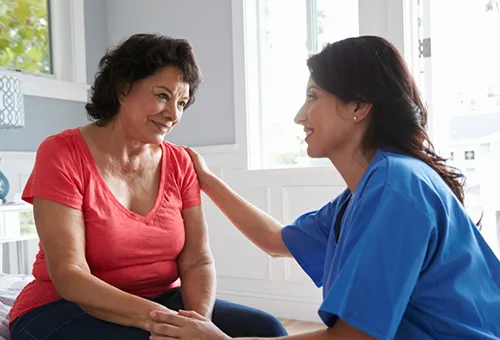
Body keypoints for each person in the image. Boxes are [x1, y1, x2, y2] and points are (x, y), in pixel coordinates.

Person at [144, 36, 500, 340]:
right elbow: (274, 240)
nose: (300, 115)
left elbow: (354, 337)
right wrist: (207, 180)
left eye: (313, 96)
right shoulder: (363, 194)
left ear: (358, 106)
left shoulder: (397, 187)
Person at [8, 33, 287, 339]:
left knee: (266, 328)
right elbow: (69, 274)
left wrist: (196, 325)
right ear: (123, 88)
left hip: (162, 301)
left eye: (182, 102)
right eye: (163, 95)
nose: (174, 114)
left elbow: (197, 259)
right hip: (63, 307)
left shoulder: (180, 161)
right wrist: (160, 322)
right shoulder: (61, 152)